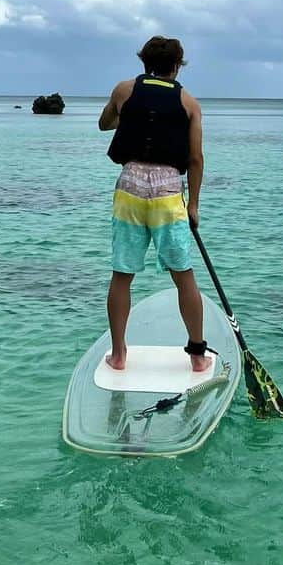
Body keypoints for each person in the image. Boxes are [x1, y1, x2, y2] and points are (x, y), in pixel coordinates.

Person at [97, 35, 207, 373]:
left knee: (122, 274)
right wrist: (193, 206)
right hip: (167, 188)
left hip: (130, 184)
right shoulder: (189, 103)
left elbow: (105, 123)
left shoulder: (123, 90)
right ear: (176, 66)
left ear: (144, 62)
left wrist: (132, 117)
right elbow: (195, 159)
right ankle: (198, 357)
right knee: (183, 276)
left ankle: (118, 355)